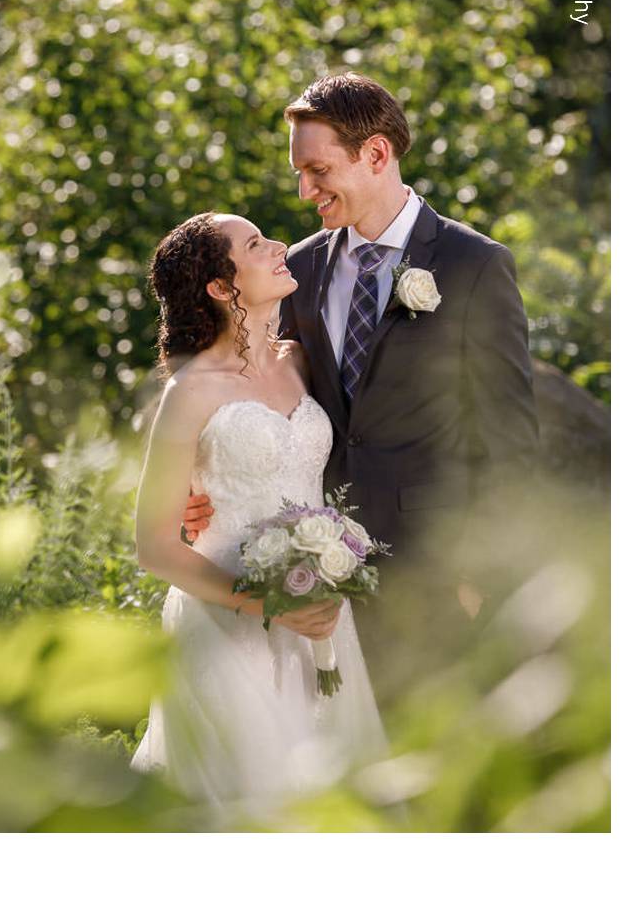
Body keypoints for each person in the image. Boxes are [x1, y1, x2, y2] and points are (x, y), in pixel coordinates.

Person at [184, 74, 540, 701]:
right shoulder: (299, 268)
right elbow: (248, 384)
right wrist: (199, 475)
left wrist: (480, 568)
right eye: (299, 172)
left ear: (375, 154)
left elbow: (509, 436)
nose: (304, 190)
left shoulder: (473, 265)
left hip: (434, 571)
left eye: (318, 170)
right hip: (316, 574)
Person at [130, 211, 386, 816]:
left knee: (333, 799)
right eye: (255, 244)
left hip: (322, 609)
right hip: (228, 624)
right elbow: (154, 545)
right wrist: (267, 604)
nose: (277, 246)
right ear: (222, 288)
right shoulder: (191, 390)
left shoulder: (300, 360)